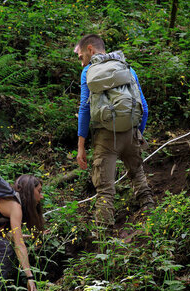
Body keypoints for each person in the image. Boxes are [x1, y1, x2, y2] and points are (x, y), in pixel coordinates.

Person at [74, 34, 155, 229]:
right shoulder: (126, 68)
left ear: (91, 49)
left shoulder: (88, 72)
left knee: (105, 190)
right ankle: (153, 220)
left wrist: (81, 146)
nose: (81, 62)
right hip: (130, 132)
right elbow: (143, 105)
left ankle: (104, 240)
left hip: (106, 138)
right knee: (137, 175)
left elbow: (84, 110)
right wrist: (137, 133)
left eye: (81, 56)